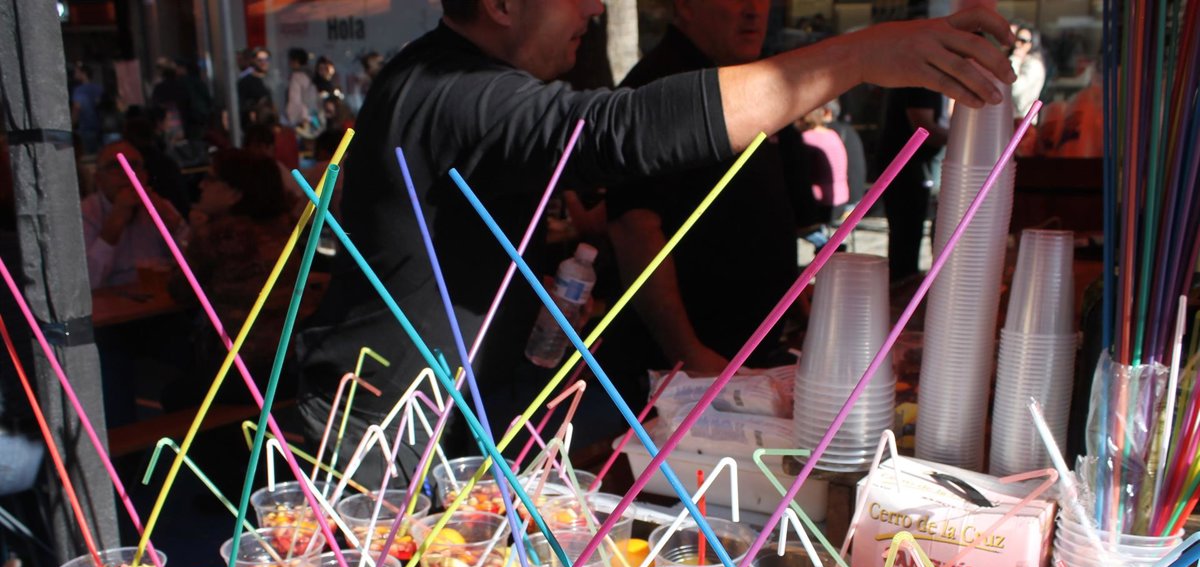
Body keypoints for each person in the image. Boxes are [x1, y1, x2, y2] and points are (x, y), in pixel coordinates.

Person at [294, 0, 1016, 476]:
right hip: (378, 441)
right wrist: (856, 59)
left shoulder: (454, 82)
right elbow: (618, 132)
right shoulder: (451, 88)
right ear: (503, 4)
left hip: (449, 418)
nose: (595, 8)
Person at [601, 0, 813, 393]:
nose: (754, 9)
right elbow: (634, 227)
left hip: (750, 354)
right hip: (685, 375)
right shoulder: (661, 86)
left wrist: (798, 303)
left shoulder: (746, 80)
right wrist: (687, 354)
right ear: (684, 6)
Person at [164, 149, 300, 407]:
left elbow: (180, 290)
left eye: (211, 178)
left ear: (235, 193)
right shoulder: (287, 228)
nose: (201, 185)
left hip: (241, 368)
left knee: (173, 394)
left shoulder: (220, 236)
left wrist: (193, 232)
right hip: (289, 363)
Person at [80, 141, 186, 289]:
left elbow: (196, 266)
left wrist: (174, 224)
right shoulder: (85, 214)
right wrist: (114, 224)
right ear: (98, 179)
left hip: (160, 297)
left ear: (145, 176)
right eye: (115, 167)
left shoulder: (161, 206)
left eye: (134, 166)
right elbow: (86, 284)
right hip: (112, 301)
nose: (126, 173)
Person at [877, 85, 948, 282]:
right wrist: (962, 137)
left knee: (909, 232)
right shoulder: (922, 84)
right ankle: (902, 284)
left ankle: (904, 281)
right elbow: (923, 128)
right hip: (905, 167)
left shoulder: (926, 84)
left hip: (910, 166)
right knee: (906, 232)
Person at [1009, 21, 1046, 120]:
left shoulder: (1033, 64)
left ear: (1032, 43)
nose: (1017, 44)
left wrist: (1015, 59)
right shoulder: (1023, 60)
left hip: (1024, 120)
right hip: (1013, 118)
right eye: (1016, 39)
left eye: (1023, 41)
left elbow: (1015, 89)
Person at [284, 48, 320, 138]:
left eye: (290, 60)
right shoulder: (310, 75)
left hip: (301, 120)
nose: (289, 63)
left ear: (295, 61)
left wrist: (292, 119)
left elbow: (294, 100)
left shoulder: (296, 77)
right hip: (313, 118)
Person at [70, 63, 104, 154]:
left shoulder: (79, 90)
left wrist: (72, 124)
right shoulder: (99, 88)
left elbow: (77, 108)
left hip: (86, 128)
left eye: (77, 72)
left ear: (84, 73)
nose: (74, 74)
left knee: (88, 155)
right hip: (100, 128)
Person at [237, 47, 274, 127]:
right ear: (253, 61)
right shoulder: (245, 82)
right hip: (255, 126)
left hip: (274, 124)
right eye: (260, 60)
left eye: (266, 59)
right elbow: (241, 106)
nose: (264, 63)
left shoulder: (274, 79)